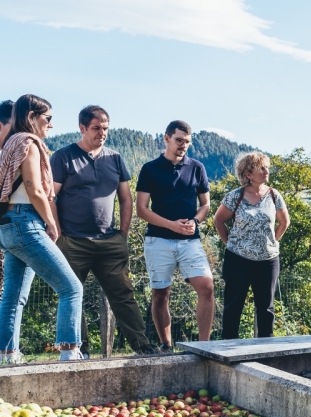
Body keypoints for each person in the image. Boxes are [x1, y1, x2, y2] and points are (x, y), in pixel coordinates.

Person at [50, 105, 159, 356]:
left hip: (110, 241)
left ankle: (142, 347)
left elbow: (126, 198)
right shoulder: (63, 157)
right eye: (96, 128)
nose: (102, 133)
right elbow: (50, 197)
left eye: (105, 128)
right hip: (73, 241)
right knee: (71, 295)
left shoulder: (115, 158)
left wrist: (122, 233)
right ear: (82, 128)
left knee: (123, 295)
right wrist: (58, 234)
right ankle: (80, 350)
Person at [0, 94, 84, 362]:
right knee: (71, 288)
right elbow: (35, 189)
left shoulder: (9, 143)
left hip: (8, 225)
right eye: (47, 118)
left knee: (13, 296)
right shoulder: (29, 143)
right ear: (31, 118)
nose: (50, 124)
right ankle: (70, 352)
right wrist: (51, 222)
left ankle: (7, 354)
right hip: (27, 222)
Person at [135, 120, 214, 350]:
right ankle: (165, 345)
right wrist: (171, 225)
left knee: (207, 287)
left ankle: (204, 347)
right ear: (166, 138)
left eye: (187, 142)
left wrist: (195, 221)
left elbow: (206, 205)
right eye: (179, 140)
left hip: (190, 240)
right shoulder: (150, 169)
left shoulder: (197, 167)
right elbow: (142, 209)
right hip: (158, 240)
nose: (183, 146)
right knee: (160, 294)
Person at [213, 152, 289, 339]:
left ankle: (265, 348)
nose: (266, 171)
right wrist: (231, 243)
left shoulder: (273, 195)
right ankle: (228, 347)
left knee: (266, 307)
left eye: (267, 167)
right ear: (248, 174)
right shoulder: (234, 196)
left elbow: (284, 222)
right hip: (237, 259)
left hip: (268, 260)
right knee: (233, 305)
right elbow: (218, 221)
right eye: (261, 168)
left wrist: (272, 243)